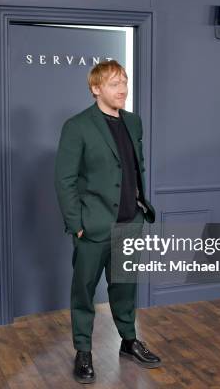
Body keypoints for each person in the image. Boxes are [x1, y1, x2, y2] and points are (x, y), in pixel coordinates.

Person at [54, 60, 161, 384]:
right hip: (93, 226)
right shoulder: (78, 126)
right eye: (115, 84)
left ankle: (129, 341)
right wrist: (77, 224)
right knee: (84, 291)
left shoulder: (134, 122)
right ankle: (83, 351)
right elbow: (65, 180)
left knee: (124, 287)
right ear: (96, 88)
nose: (123, 89)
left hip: (130, 221)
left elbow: (133, 169)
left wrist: (140, 210)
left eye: (124, 82)